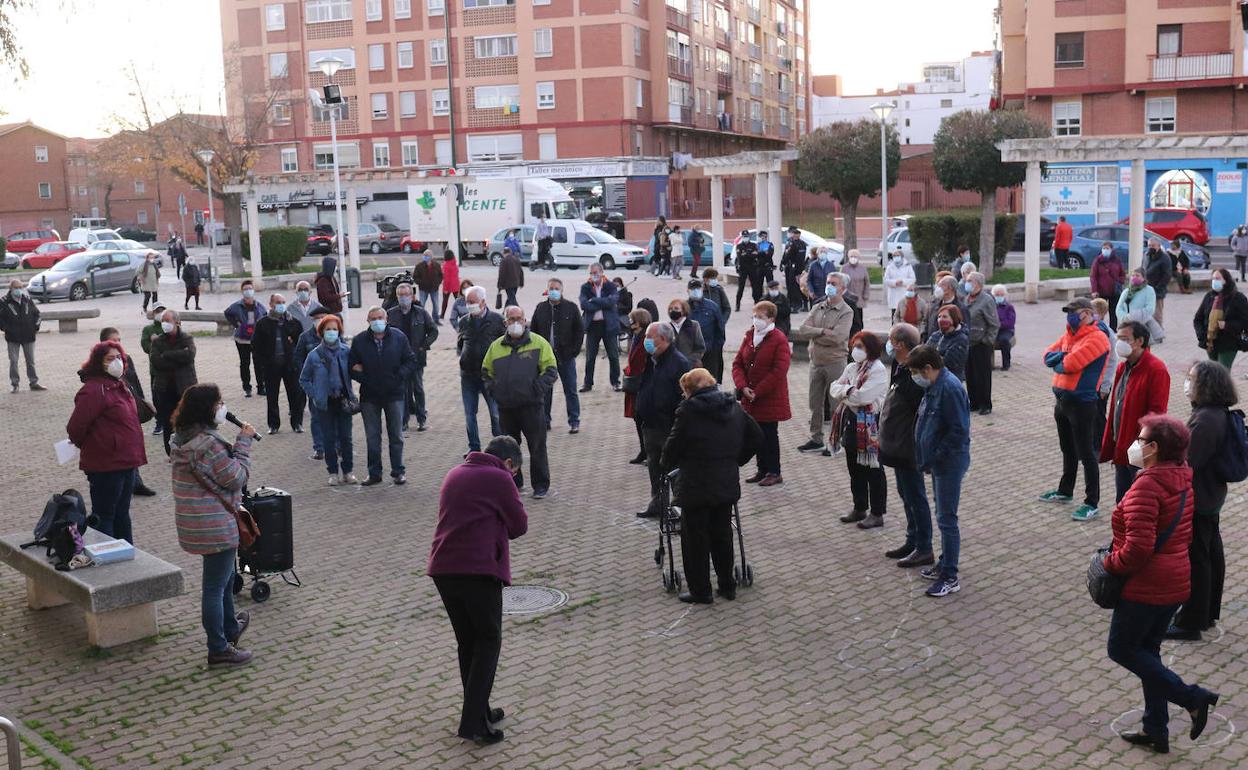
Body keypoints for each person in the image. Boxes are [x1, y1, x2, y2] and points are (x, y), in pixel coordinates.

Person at [1102, 414, 1219, 754]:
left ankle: (1192, 698)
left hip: (1146, 587)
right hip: (1175, 580)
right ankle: (1156, 729)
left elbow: (1138, 549)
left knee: (1121, 649)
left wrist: (1109, 563)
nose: (1135, 444)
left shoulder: (1148, 485)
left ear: (1154, 448)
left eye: (1140, 439)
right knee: (1148, 652)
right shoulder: (1182, 476)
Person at [427, 435, 528, 745]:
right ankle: (473, 723)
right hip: (477, 570)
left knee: (468, 643)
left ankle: (478, 709)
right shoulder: (500, 478)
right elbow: (519, 525)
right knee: (487, 641)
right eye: (515, 472)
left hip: (444, 568)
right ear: (509, 463)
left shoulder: (455, 472)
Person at [168, 383, 255, 666]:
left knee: (225, 578)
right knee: (215, 588)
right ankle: (218, 648)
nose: (222, 408)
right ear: (207, 409)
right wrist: (243, 443)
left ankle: (230, 627)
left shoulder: (180, 439)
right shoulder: (210, 445)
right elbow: (235, 478)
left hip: (196, 522)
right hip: (214, 523)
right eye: (218, 403)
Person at [661, 368, 762, 604]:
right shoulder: (733, 406)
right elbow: (756, 436)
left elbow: (673, 445)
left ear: (689, 390)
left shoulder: (688, 411)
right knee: (722, 535)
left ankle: (701, 591)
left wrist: (665, 463)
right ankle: (727, 585)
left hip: (696, 484)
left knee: (695, 539)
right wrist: (736, 459)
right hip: (725, 482)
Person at [1167, 362, 1235, 641]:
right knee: (1209, 554)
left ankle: (1191, 621)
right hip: (1210, 494)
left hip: (1200, 497)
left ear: (1206, 384)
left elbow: (1189, 460)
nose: (1187, 383)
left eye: (1192, 379)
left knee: (1198, 559)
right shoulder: (1214, 413)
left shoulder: (1207, 419)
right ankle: (1206, 613)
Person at [66, 340, 147, 544]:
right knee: (106, 515)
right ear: (98, 362)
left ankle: (128, 555)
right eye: (110, 358)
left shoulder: (120, 385)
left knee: (122, 513)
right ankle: (107, 559)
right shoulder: (93, 390)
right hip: (106, 464)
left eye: (119, 357)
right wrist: (98, 444)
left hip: (127, 461)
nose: (116, 362)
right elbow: (76, 427)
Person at [908, 344, 971, 598]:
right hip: (938, 462)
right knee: (942, 513)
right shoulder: (935, 385)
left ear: (928, 368)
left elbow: (959, 430)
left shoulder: (950, 388)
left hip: (949, 463)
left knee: (947, 519)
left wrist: (936, 456)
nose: (916, 378)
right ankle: (944, 562)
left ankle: (950, 575)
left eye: (916, 372)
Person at [1039, 298, 1110, 521]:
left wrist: (1061, 358)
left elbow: (1069, 365)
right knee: (1067, 449)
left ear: (1087, 314)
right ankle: (1065, 490)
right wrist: (1061, 356)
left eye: (1073, 312)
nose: (1069, 316)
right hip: (1062, 402)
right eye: (1068, 312)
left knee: (1086, 453)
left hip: (1082, 404)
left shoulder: (1098, 338)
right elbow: (1046, 356)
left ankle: (1091, 502)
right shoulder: (1069, 335)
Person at [482, 306, 558, 498]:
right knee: (508, 448)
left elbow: (550, 370)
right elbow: (485, 372)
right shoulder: (496, 346)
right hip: (506, 407)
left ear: (525, 321)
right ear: (505, 322)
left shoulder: (539, 343)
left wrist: (536, 389)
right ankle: (513, 483)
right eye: (511, 319)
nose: (516, 323)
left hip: (531, 406)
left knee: (537, 446)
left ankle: (540, 485)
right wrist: (495, 391)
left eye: (519, 319)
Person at [881, 324, 934, 568]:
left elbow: (921, 410)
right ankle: (911, 540)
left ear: (900, 344)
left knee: (916, 496)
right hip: (896, 444)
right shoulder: (900, 366)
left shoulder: (915, 373)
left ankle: (924, 548)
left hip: (908, 444)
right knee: (905, 494)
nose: (889, 345)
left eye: (891, 340)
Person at [1101, 320, 1170, 505]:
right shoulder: (1122, 368)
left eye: (1124, 338)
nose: (1119, 343)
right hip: (1121, 445)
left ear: (1139, 341)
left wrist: (1141, 448)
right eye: (1118, 338)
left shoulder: (1156, 369)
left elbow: (1157, 415)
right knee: (1122, 501)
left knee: (1137, 502)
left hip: (1139, 449)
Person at [349, 306, 418, 486]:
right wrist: (366, 377)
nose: (377, 321)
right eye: (373, 319)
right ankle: (374, 473)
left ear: (386, 319)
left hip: (394, 394)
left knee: (396, 435)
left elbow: (410, 361)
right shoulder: (359, 341)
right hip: (369, 396)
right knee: (372, 437)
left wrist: (398, 376)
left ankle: (398, 471)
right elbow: (351, 366)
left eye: (380, 317)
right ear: (368, 321)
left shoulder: (398, 337)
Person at [830, 331, 890, 528]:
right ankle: (859, 507)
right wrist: (848, 392)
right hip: (851, 421)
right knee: (854, 468)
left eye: (860, 347)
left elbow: (863, 398)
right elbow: (833, 388)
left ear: (870, 349)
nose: (855, 350)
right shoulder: (851, 367)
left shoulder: (878, 370)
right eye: (854, 345)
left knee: (872, 468)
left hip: (869, 424)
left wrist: (845, 393)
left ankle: (877, 512)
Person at [793, 272, 854, 455]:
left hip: (835, 362)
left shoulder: (846, 311)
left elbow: (838, 337)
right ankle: (816, 438)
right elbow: (803, 330)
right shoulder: (818, 306)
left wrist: (817, 334)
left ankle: (835, 441)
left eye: (833, 283)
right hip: (815, 362)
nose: (829, 286)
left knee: (835, 404)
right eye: (828, 282)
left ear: (842, 288)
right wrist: (822, 331)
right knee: (815, 403)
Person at [732, 301, 791, 487]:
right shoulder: (750, 335)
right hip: (750, 396)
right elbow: (737, 363)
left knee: (769, 434)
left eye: (761, 317)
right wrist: (742, 387)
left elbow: (779, 371)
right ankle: (762, 469)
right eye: (755, 316)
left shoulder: (778, 339)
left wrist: (757, 391)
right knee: (756, 433)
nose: (756, 320)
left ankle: (774, 471)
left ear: (771, 319)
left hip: (768, 396)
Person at [636, 322, 691, 518]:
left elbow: (684, 397)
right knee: (654, 467)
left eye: (650, 337)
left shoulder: (679, 362)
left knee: (674, 468)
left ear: (664, 339)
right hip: (650, 425)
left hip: (668, 426)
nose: (646, 341)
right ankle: (657, 504)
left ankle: (680, 509)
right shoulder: (652, 359)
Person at [299, 315, 357, 485]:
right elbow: (304, 379)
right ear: (321, 332)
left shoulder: (346, 351)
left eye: (334, 329)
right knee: (328, 438)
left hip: (344, 400)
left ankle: (348, 471)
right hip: (325, 403)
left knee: (346, 438)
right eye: (328, 329)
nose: (331, 332)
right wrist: (315, 394)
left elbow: (356, 370)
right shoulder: (314, 355)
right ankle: (332, 472)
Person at [99, 328, 155, 497]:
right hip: (115, 414)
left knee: (133, 446)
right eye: (114, 341)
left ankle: (135, 483)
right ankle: (122, 483)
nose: (118, 344)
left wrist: (142, 402)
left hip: (131, 408)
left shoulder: (126, 358)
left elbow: (134, 382)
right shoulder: (100, 363)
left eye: (119, 340)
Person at [531, 277, 584, 434]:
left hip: (565, 356)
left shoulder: (571, 308)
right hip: (546, 358)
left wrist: (573, 351)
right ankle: (545, 420)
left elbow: (579, 331)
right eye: (551, 288)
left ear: (561, 290)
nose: (553, 291)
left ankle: (574, 421)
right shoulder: (541, 308)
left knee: (570, 389)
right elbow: (533, 331)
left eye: (556, 288)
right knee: (545, 391)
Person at [458, 286, 505, 454]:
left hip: (490, 376)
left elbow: (505, 345)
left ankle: (500, 447)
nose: (469, 305)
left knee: (496, 414)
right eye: (467, 302)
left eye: (473, 302)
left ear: (483, 302)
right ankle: (474, 448)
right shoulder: (463, 321)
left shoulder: (497, 320)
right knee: (470, 415)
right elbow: (461, 344)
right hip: (468, 376)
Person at [387, 282, 439, 432]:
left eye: (406, 295)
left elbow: (433, 331)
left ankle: (421, 419)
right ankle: (403, 421)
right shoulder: (391, 313)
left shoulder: (420, 313)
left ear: (412, 296)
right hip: (399, 359)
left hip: (416, 356)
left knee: (418, 388)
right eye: (400, 295)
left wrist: (424, 345)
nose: (403, 298)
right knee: (402, 390)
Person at [252, 293, 305, 435]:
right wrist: (263, 362)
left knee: (295, 395)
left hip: (290, 365)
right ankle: (274, 425)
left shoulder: (293, 322)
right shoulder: (263, 323)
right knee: (272, 396)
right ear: (271, 304)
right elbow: (256, 346)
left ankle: (297, 423)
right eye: (278, 302)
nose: (281, 305)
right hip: (271, 366)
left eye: (283, 302)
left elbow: (301, 344)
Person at [149, 309, 199, 456]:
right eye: (163, 321)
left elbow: (189, 355)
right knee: (168, 422)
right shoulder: (158, 341)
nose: (164, 324)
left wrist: (167, 355)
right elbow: (156, 361)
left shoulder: (186, 338)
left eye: (167, 321)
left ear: (176, 322)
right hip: (164, 389)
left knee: (188, 420)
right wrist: (177, 360)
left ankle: (189, 450)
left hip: (184, 387)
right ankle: (171, 453)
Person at [294, 306, 332, 460]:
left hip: (333, 383)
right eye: (318, 318)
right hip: (315, 385)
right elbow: (298, 358)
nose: (321, 321)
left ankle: (336, 446)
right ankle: (319, 448)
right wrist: (307, 375)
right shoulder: (305, 337)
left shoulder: (334, 335)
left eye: (324, 317)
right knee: (316, 417)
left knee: (334, 417)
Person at [578, 263, 621, 392]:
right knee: (590, 357)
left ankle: (615, 382)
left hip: (609, 325)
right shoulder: (585, 287)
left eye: (596, 272)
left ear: (602, 272)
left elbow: (612, 301)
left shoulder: (610, 286)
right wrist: (603, 302)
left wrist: (595, 301)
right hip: (593, 326)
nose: (594, 275)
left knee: (613, 355)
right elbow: (584, 305)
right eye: (591, 273)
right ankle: (587, 383)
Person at [1194, 268, 1248, 369]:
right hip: (1210, 342)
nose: (1215, 281)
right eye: (1213, 278)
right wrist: (1202, 335)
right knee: (1214, 373)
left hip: (1228, 342)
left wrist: (1227, 325)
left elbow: (1245, 321)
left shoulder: (1238, 298)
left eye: (1218, 278)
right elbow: (1198, 319)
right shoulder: (1210, 296)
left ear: (1226, 280)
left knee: (1223, 372)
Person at [963, 272, 1000, 415]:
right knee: (970, 374)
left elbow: (994, 323)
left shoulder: (986, 300)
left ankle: (985, 404)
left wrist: (987, 341)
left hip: (981, 343)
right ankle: (974, 403)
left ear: (978, 283)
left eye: (969, 281)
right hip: (968, 342)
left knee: (982, 375)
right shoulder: (966, 299)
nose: (966, 283)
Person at [224, 281, 268, 399]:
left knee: (259, 364)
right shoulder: (237, 306)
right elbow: (227, 313)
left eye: (250, 288)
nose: (248, 291)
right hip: (242, 339)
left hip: (256, 339)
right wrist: (236, 324)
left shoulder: (259, 306)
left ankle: (261, 387)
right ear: (242, 291)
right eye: (246, 289)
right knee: (245, 363)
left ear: (253, 290)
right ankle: (247, 387)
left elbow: (265, 317)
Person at [0, 279, 43, 393]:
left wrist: (35, 327)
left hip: (28, 335)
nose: (18, 290)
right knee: (13, 361)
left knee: (30, 361)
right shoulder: (4, 301)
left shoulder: (27, 299)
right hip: (12, 337)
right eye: (16, 288)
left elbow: (37, 314)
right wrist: (5, 328)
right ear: (11, 289)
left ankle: (33, 382)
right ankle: (15, 384)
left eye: (20, 287)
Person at [623, 308, 653, 465]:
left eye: (632, 320)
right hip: (634, 385)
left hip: (642, 385)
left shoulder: (646, 339)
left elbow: (642, 363)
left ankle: (649, 452)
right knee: (637, 419)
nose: (630, 323)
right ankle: (643, 450)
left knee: (644, 421)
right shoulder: (635, 337)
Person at [1090, 297, 1119, 449]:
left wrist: (1105, 385)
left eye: (1093, 312)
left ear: (1101, 314)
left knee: (1099, 413)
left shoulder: (1107, 333)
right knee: (1091, 413)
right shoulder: (1090, 330)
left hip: (1102, 383)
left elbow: (1112, 361)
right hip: (1092, 381)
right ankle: (1093, 441)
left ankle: (1101, 443)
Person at [687, 279, 725, 379]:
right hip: (691, 353)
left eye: (697, 288)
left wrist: (716, 349)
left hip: (710, 351)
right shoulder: (684, 307)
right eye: (692, 288)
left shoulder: (712, 307)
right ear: (688, 290)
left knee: (710, 379)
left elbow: (720, 330)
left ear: (702, 288)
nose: (695, 291)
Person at [1117, 267, 1164, 343]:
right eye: (1133, 275)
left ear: (1143, 278)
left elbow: (1150, 309)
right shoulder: (1126, 291)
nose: (1134, 277)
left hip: (1142, 326)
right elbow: (1119, 308)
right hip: (1126, 325)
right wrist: (1124, 317)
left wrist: (1134, 317)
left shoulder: (1149, 290)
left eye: (1137, 275)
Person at [926, 305, 969, 382]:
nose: (940, 320)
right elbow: (924, 352)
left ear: (954, 318)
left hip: (950, 380)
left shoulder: (961, 339)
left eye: (945, 317)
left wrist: (929, 359)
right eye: (939, 317)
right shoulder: (936, 335)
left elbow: (949, 362)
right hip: (932, 378)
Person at [1090, 241, 1126, 328]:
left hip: (1114, 291)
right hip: (1101, 291)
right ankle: (1099, 328)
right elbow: (1093, 276)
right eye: (1104, 248)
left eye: (1107, 248)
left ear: (1112, 249)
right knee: (1099, 311)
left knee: (1113, 312)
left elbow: (1123, 274)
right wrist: (1094, 290)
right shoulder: (1097, 261)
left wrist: (1120, 281)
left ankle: (1113, 329)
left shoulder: (1117, 261)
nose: (1105, 250)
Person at [924, 275, 967, 342]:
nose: (937, 288)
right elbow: (927, 326)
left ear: (950, 288)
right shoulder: (934, 306)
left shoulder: (961, 308)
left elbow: (965, 331)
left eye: (941, 285)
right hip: (931, 346)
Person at [667, 298, 706, 369]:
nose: (672, 311)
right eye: (670, 309)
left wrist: (687, 361)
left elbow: (700, 348)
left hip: (690, 366)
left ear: (683, 310)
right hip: (670, 367)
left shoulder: (693, 325)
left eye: (676, 308)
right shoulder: (667, 327)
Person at [1144, 238, 1173, 326]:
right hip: (1146, 289)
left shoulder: (1164, 258)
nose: (1151, 247)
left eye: (1153, 246)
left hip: (1157, 291)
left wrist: (1158, 287)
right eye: (1149, 245)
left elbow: (1167, 275)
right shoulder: (1146, 255)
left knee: (1157, 315)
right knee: (1146, 314)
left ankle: (1158, 335)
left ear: (1158, 246)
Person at [781, 227, 808, 311]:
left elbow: (800, 257)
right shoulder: (789, 242)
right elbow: (785, 254)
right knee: (790, 286)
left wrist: (798, 268)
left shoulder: (801, 244)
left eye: (796, 234)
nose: (794, 235)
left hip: (797, 268)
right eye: (793, 233)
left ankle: (800, 304)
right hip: (789, 267)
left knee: (798, 286)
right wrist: (782, 263)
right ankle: (791, 303)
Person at [413, 250, 444, 321]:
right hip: (423, 289)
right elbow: (415, 277)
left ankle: (436, 319)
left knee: (436, 305)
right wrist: (421, 282)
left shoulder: (437, 265)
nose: (425, 257)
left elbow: (441, 275)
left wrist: (438, 283)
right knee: (422, 305)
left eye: (427, 255)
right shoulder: (419, 266)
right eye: (424, 255)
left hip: (434, 288)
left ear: (431, 257)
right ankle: (421, 319)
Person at [883, 251, 914, 319]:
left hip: (903, 292)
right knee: (894, 315)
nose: (896, 258)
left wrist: (903, 282)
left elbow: (912, 279)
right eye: (895, 256)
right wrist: (894, 282)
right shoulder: (890, 267)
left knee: (904, 314)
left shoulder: (908, 266)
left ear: (902, 257)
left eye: (898, 256)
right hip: (893, 293)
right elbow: (886, 280)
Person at [993, 285, 1016, 371]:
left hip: (1006, 330)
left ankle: (1006, 363)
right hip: (993, 329)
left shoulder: (1009, 307)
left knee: (1004, 340)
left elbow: (1010, 322)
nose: (999, 296)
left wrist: (998, 324)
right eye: (997, 295)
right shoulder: (991, 305)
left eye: (1001, 294)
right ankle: (989, 364)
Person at [734, 231, 759, 311]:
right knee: (741, 287)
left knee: (754, 286)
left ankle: (756, 303)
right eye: (744, 236)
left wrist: (746, 254)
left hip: (752, 268)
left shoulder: (753, 245)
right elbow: (740, 257)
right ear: (742, 237)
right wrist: (750, 254)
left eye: (747, 236)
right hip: (743, 268)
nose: (746, 237)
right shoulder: (739, 246)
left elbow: (755, 255)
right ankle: (737, 304)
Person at [441, 250, 460, 322]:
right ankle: (461, 313)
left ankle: (442, 314)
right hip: (456, 285)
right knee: (458, 301)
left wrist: (445, 288)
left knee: (445, 301)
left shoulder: (446, 265)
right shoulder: (454, 263)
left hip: (448, 285)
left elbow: (446, 278)